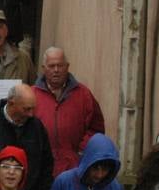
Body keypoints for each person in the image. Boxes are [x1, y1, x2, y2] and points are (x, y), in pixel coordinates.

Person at [33, 47, 105, 177]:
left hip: (75, 169)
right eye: (51, 66)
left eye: (60, 65)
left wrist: (81, 151)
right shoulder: (32, 96)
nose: (56, 70)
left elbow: (96, 128)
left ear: (67, 66)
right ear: (43, 69)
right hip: (41, 170)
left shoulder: (83, 95)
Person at [0, 84, 55, 190]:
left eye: (33, 109)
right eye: (26, 109)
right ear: (11, 103)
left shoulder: (36, 127)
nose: (31, 114)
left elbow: (46, 165)